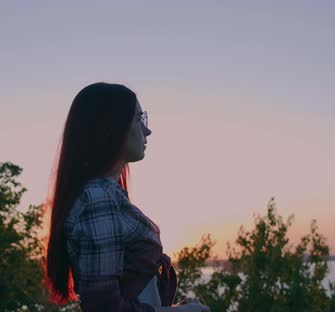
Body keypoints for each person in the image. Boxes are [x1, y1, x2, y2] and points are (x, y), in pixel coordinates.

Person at [41, 82, 210, 312]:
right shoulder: (98, 198)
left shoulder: (106, 194)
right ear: (112, 127)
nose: (147, 130)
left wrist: (173, 307)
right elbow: (105, 307)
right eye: (139, 118)